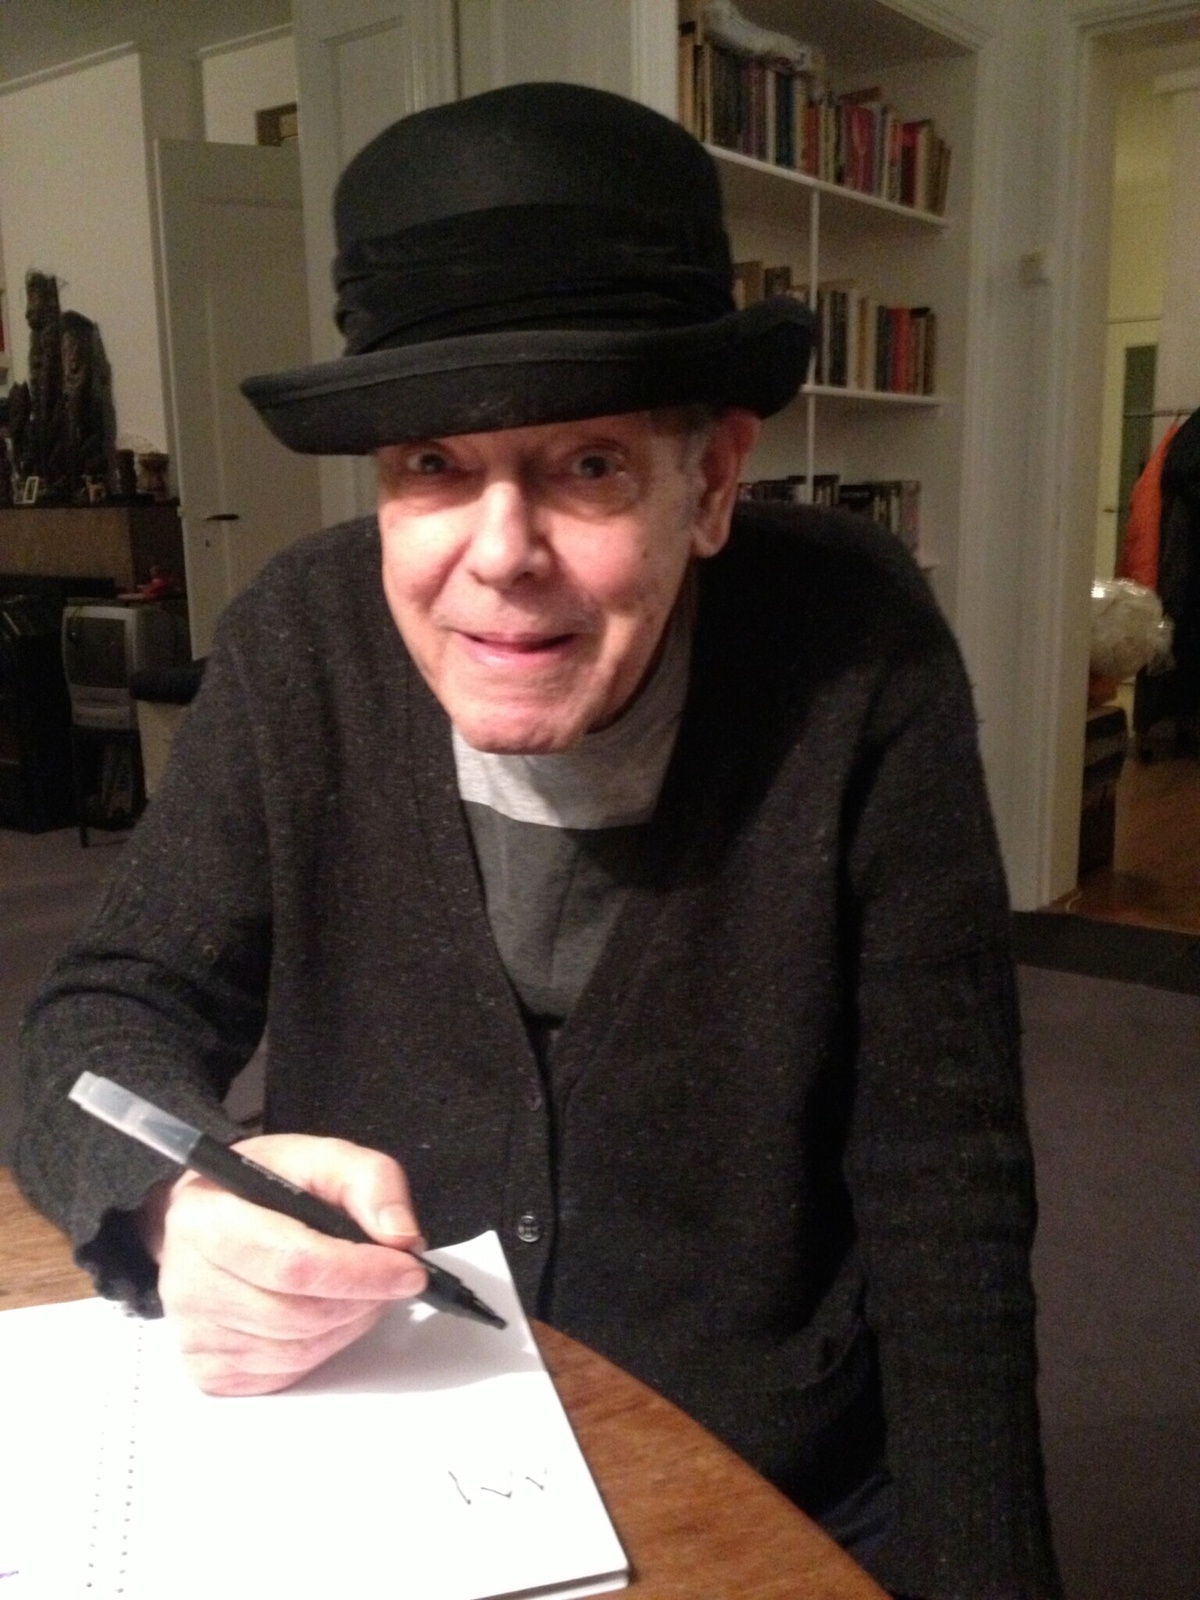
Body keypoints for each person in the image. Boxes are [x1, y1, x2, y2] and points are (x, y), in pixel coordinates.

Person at [15, 83, 1061, 1600]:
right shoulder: (301, 641)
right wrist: (178, 1203)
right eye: (433, 465)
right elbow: (101, 1017)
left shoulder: (857, 650)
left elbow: (945, 1177)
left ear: (711, 481)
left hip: (769, 1463)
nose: (499, 558)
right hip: (387, 1439)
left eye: (587, 466)